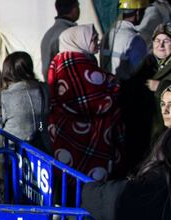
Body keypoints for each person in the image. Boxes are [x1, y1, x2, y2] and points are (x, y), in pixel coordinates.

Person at [48, 25, 124, 181]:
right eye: (93, 39)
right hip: (84, 135)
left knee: (68, 174)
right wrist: (113, 89)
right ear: (79, 41)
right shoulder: (76, 63)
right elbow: (91, 100)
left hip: (65, 131)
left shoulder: (62, 60)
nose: (98, 42)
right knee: (86, 178)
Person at [125, 22, 171, 157]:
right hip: (144, 126)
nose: (160, 45)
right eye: (157, 40)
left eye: (166, 41)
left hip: (166, 131)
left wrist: (161, 86)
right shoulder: (148, 62)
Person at [0, 52, 50, 148]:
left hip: (13, 151)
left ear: (7, 71)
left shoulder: (5, 97)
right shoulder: (44, 89)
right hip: (42, 147)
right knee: (41, 124)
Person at [101, 0, 150, 80]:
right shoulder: (135, 39)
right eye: (143, 11)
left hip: (108, 86)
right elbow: (142, 71)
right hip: (128, 88)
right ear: (137, 12)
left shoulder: (108, 34)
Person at [40, 0, 80, 82]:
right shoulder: (68, 33)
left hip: (53, 85)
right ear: (74, 9)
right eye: (77, 6)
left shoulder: (48, 34)